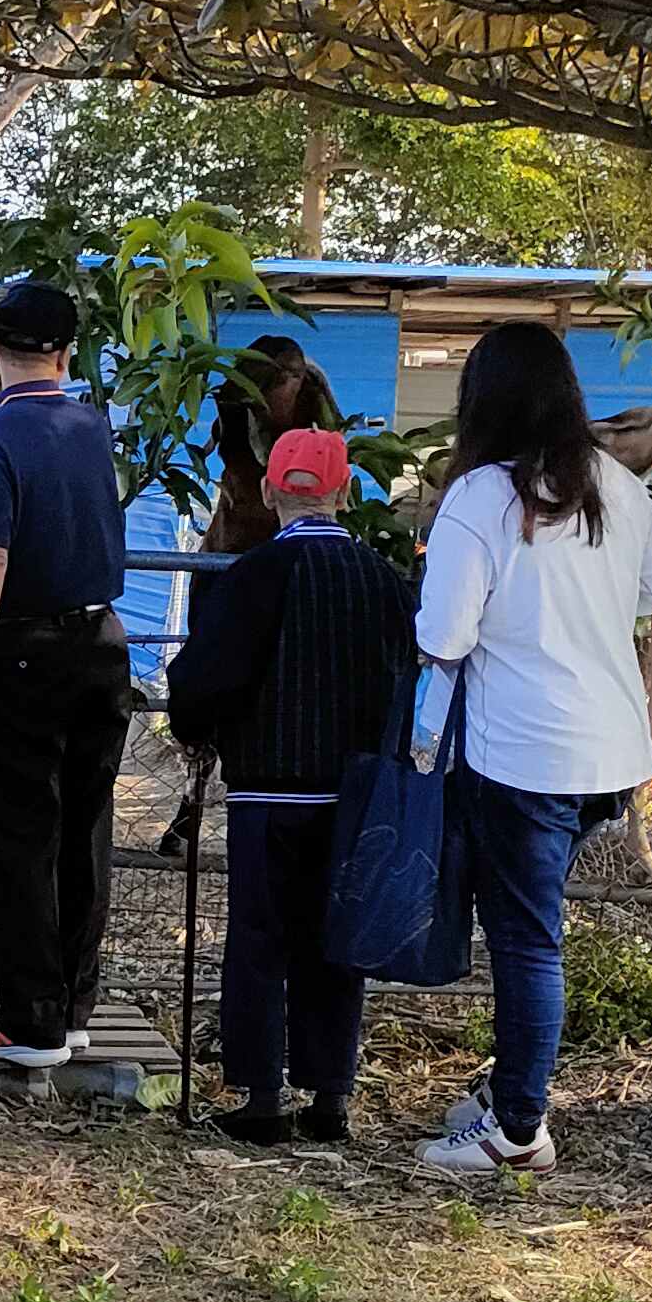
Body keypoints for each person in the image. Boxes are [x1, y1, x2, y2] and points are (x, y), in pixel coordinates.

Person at [410, 321, 652, 1178]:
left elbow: (444, 636)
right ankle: (509, 1095)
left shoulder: (480, 496)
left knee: (528, 940)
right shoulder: (613, 482)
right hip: (610, 754)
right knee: (534, 929)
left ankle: (517, 1129)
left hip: (520, 756)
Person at [162, 427, 411, 1145]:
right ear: (344, 492)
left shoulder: (250, 578)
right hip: (359, 794)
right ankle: (331, 1096)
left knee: (260, 941)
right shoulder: (384, 581)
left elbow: (202, 684)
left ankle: (263, 1095)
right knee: (338, 939)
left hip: (268, 792)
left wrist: (197, 728)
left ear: (271, 492)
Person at [0, 279, 135, 1069]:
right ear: (66, 352)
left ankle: (29, 1019)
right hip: (103, 638)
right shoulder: (92, 425)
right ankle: (75, 1003)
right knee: (86, 826)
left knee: (20, 829)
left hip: (24, 645)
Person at [199, 334, 344, 561]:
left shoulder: (314, 405)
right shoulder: (235, 413)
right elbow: (239, 472)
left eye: (292, 378)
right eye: (278, 381)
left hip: (294, 548)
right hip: (235, 545)